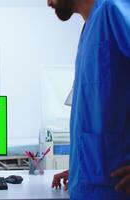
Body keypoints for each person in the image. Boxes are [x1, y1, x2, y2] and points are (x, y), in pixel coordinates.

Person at [47, 0, 130, 199]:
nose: (48, 2)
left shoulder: (113, 10)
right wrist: (80, 171)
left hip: (115, 190)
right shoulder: (89, 28)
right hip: (91, 184)